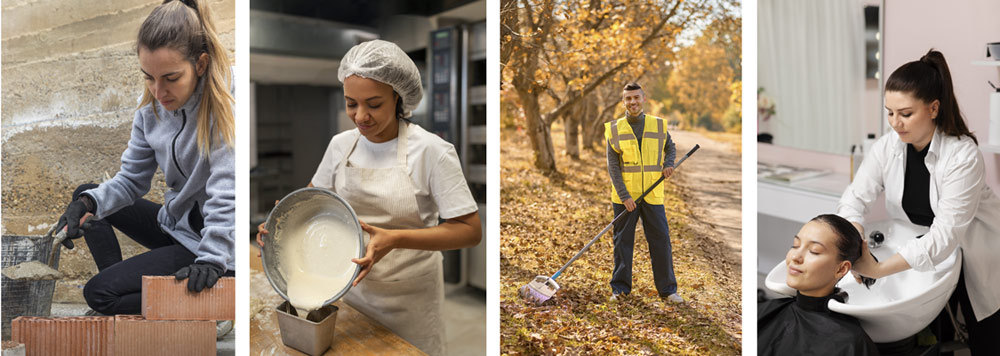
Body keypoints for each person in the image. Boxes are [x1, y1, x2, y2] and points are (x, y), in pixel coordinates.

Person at [257, 39, 482, 356]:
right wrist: (279, 226)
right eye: (351, 104)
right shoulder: (340, 145)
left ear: (398, 97)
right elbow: (309, 204)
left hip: (409, 297)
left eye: (374, 104)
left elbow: (470, 231)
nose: (360, 116)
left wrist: (394, 238)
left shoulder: (432, 151)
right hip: (348, 288)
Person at [55, 0, 236, 315]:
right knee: (88, 194)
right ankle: (125, 293)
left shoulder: (223, 109)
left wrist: (212, 259)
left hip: (212, 249)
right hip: (176, 228)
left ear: (201, 64)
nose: (158, 91)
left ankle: (215, 299)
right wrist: (86, 205)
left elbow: (227, 190)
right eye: (149, 77)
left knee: (98, 295)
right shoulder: (149, 114)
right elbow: (130, 182)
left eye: (171, 78)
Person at [839, 49, 1000, 353]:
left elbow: (945, 236)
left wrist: (877, 269)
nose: (895, 123)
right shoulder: (887, 147)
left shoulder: (962, 156)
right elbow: (854, 199)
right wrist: (854, 239)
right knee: (933, 337)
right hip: (925, 252)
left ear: (933, 108)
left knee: (986, 341)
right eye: (889, 112)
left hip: (977, 254)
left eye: (905, 114)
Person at [604, 82, 682, 303]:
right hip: (625, 197)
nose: (633, 102)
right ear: (623, 102)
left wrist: (669, 164)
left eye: (636, 97)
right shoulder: (615, 129)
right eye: (628, 98)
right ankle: (620, 289)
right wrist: (625, 196)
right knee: (622, 242)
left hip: (652, 193)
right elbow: (613, 166)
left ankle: (668, 290)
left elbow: (670, 147)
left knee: (661, 240)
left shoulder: (657, 125)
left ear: (643, 99)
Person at [758, 214, 879, 356]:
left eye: (814, 251)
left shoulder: (849, 343)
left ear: (841, 269)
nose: (795, 257)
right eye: (795, 245)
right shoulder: (765, 311)